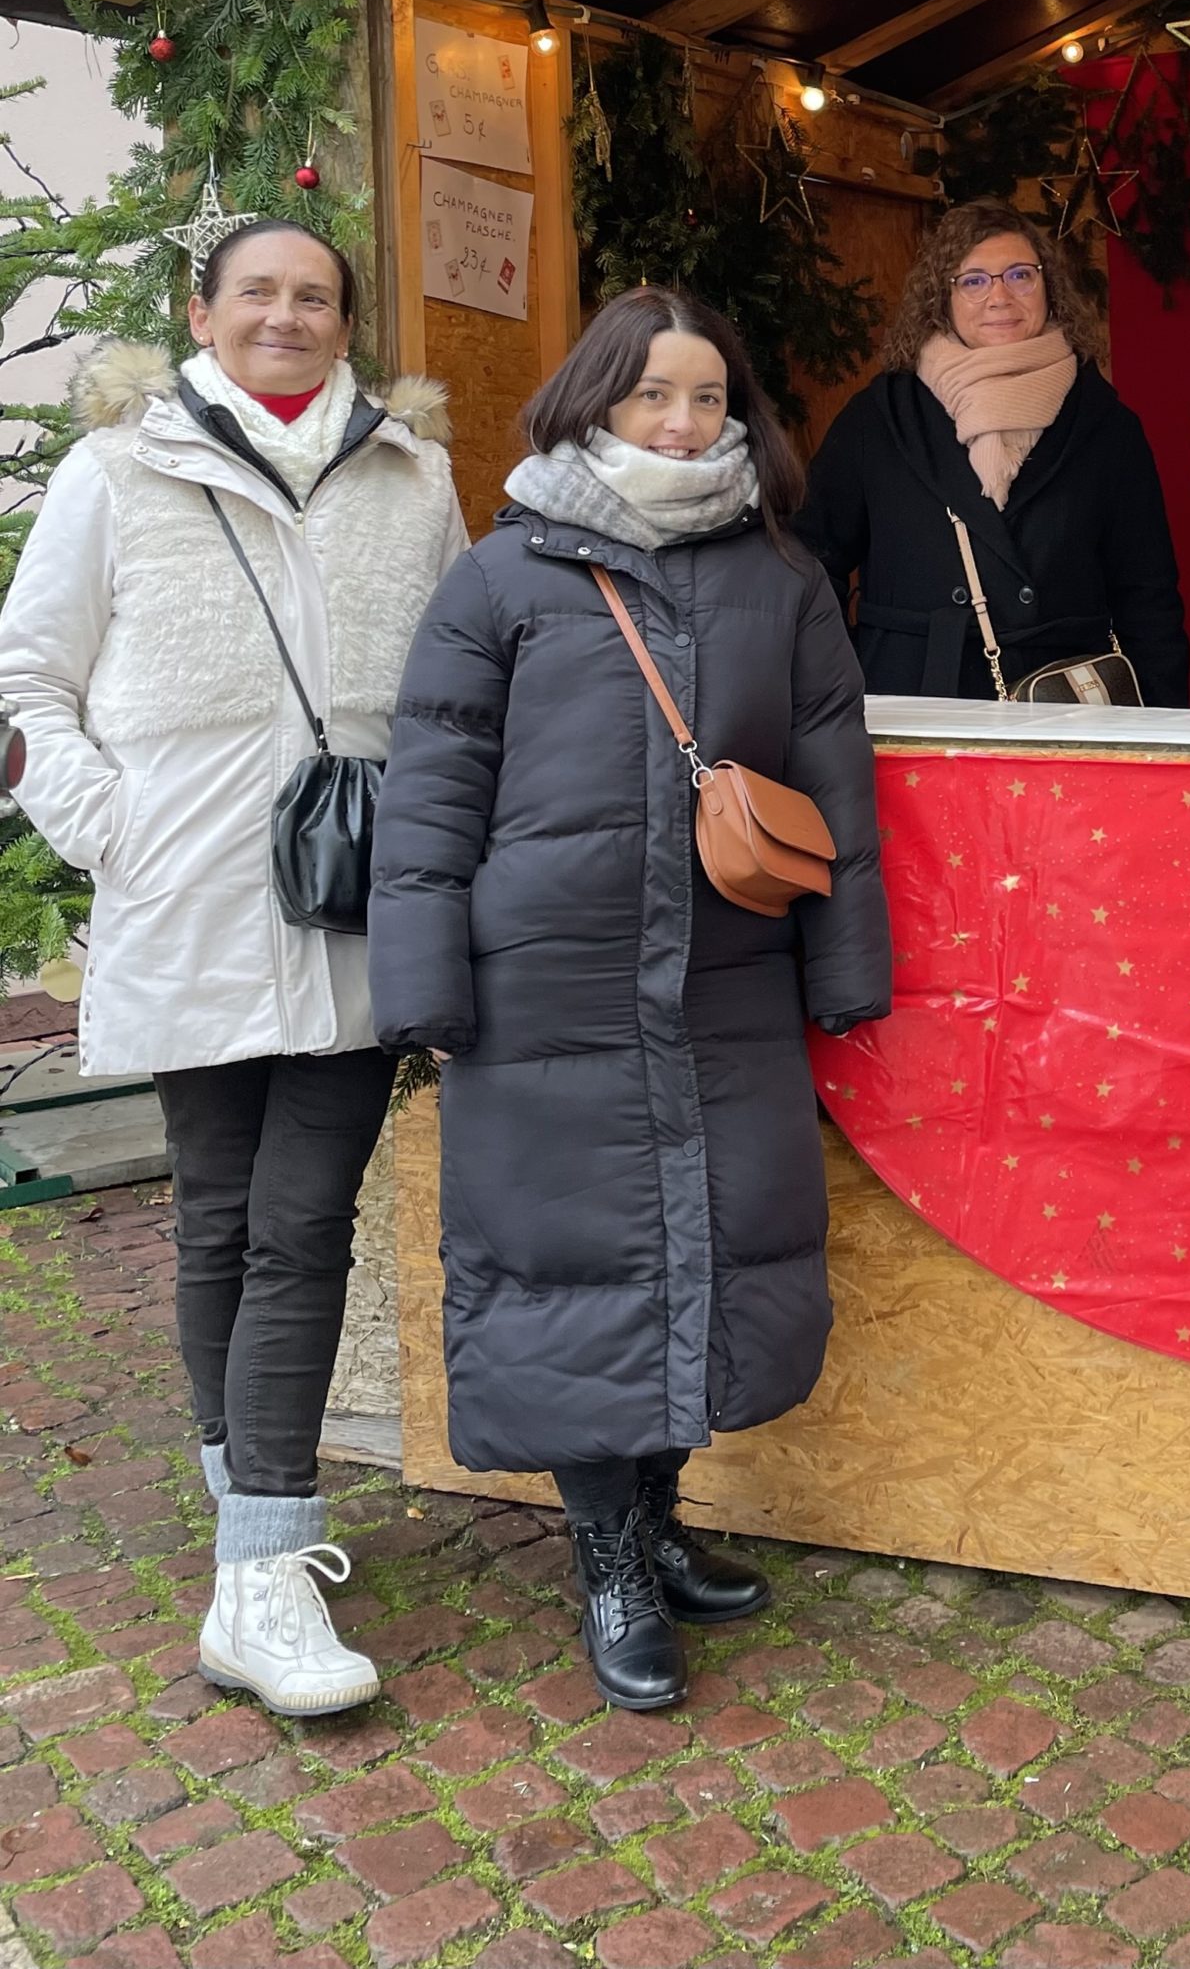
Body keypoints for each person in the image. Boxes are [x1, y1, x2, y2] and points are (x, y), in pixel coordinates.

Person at [369, 287, 889, 1711]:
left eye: (708, 397)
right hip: (543, 991)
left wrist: (846, 970)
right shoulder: (501, 579)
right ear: (597, 399)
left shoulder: (774, 577)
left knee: (698, 1255)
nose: (682, 419)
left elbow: (836, 783)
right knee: (571, 1271)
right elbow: (429, 795)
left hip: (722, 986)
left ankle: (656, 1522)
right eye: (655, 393)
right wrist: (420, 983)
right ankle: (604, 1554)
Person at [0, 219, 464, 1715]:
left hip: (353, 905)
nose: (286, 315)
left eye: (314, 296)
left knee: (302, 1217)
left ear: (343, 322)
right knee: (216, 1214)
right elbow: (27, 682)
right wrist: (110, 828)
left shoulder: (411, 475)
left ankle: (263, 1559)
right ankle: (247, 1514)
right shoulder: (117, 473)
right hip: (188, 898)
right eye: (257, 291)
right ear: (203, 311)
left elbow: (459, 681)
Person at [798, 201, 1187, 703]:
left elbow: (1148, 596)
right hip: (916, 698)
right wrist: (846, 675)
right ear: (943, 298)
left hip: (1065, 704)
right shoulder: (880, 418)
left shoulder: (1106, 425)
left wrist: (1159, 728)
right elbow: (810, 559)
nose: (999, 297)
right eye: (974, 281)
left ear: (1049, 287)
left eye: (1020, 275)